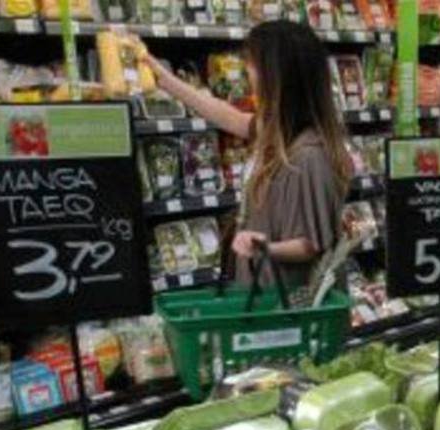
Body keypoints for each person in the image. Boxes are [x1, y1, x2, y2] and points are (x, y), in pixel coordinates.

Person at [145, 20, 350, 290]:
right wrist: (165, 80)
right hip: (264, 294)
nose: (247, 72)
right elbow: (230, 117)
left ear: (276, 75)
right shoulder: (278, 131)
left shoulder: (309, 155)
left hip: (287, 307)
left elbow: (311, 244)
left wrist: (264, 246)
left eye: (252, 64)